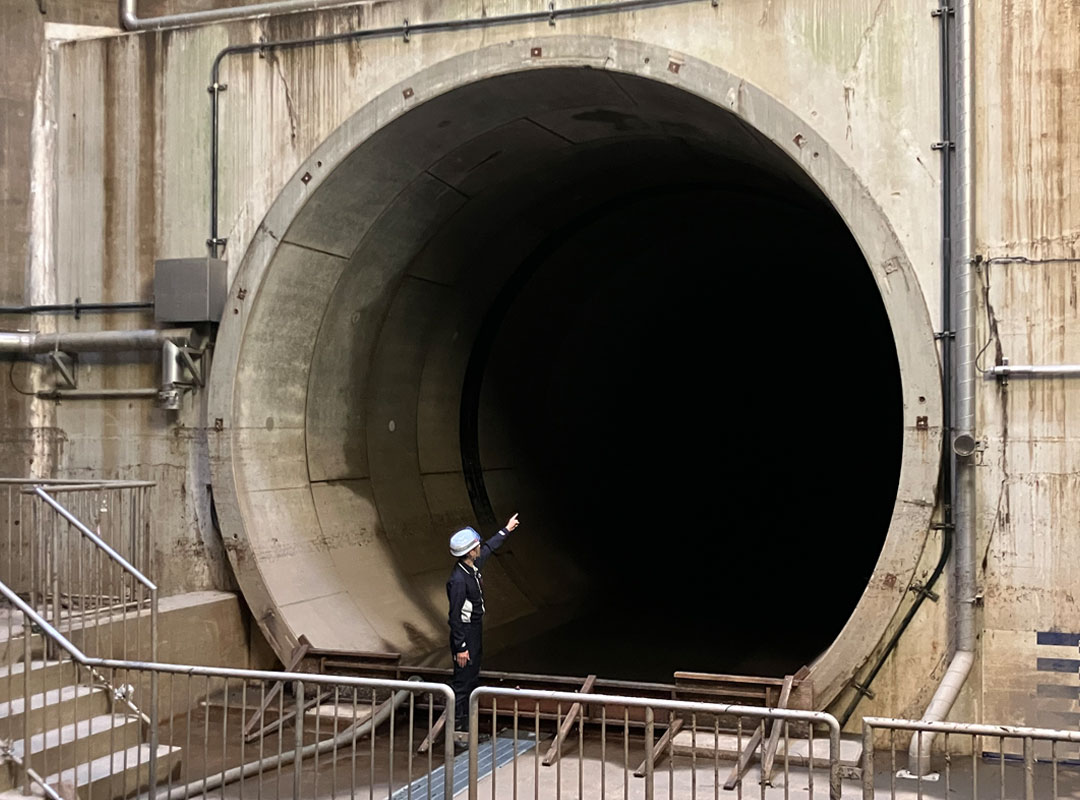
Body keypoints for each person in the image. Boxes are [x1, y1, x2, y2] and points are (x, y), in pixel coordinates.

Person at [446, 512, 520, 738]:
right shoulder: (458, 580)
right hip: (466, 633)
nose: (479, 547)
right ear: (469, 551)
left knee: (472, 678)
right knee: (463, 682)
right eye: (476, 545)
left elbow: (488, 547)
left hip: (474, 630)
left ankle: (469, 727)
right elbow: (455, 616)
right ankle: (459, 730)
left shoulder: (472, 564)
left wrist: (506, 529)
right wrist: (461, 647)